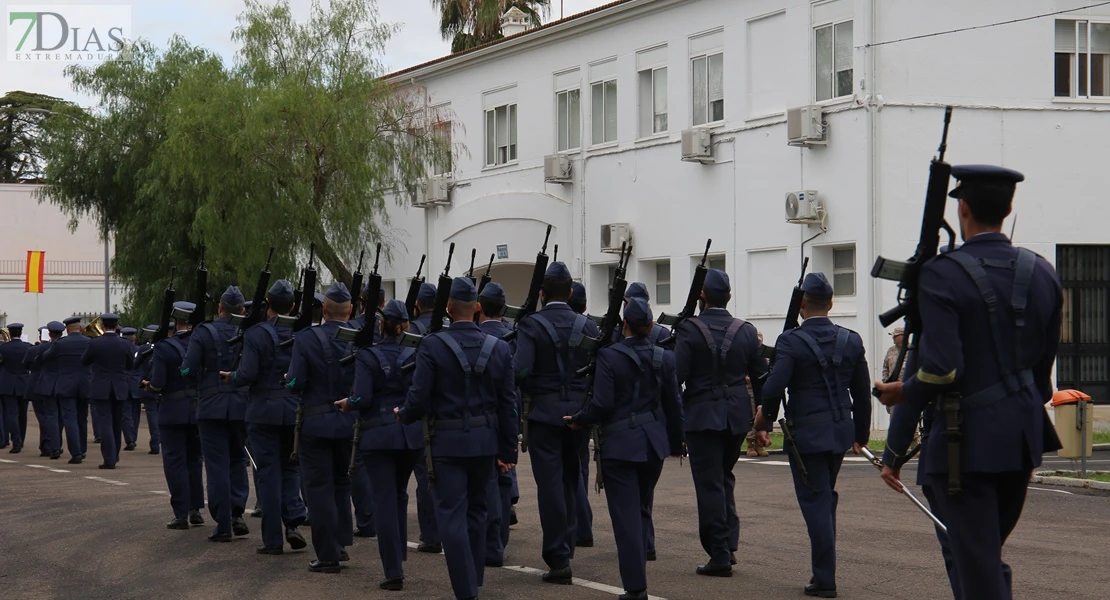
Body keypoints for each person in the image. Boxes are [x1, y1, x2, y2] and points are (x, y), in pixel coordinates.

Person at [874, 165, 1063, 600]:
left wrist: (903, 392)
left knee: (977, 569)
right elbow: (1042, 371)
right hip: (1021, 438)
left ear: (962, 209)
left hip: (964, 444)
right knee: (983, 558)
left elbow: (941, 369)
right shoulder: (1042, 272)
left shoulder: (943, 273)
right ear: (1008, 207)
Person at [396, 276, 519, 600]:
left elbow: (419, 397)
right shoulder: (500, 348)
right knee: (478, 511)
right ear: (477, 308)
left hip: (447, 444)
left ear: (448, 309)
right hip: (486, 442)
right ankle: (473, 578)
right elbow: (509, 404)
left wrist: (404, 414)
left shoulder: (432, 346)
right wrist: (509, 451)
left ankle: (466, 591)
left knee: (451, 514)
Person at [756, 272, 871, 598]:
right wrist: (861, 433)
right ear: (831, 303)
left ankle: (825, 579)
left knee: (816, 500)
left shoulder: (790, 341)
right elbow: (862, 394)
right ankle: (824, 570)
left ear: (802, 303)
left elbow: (774, 387)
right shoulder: (851, 339)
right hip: (839, 432)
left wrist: (764, 421)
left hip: (806, 435)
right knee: (824, 496)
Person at [566, 297, 685, 600]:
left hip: (620, 446)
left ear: (625, 325)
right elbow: (674, 405)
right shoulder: (665, 357)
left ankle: (635, 588)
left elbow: (602, 404)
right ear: (652, 327)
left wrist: (579, 419)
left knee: (627, 517)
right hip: (654, 445)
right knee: (642, 508)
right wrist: (676, 442)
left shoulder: (610, 356)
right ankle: (639, 572)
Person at [673, 268, 767, 576]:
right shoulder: (747, 330)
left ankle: (720, 553)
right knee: (724, 477)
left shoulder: (689, 329)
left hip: (703, 415)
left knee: (710, 483)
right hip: (738, 415)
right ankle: (729, 543)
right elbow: (759, 375)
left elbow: (678, 376)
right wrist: (763, 416)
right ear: (728, 296)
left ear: (702, 296)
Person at [514, 262, 599, 584]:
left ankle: (559, 557)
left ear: (541, 293)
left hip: (544, 415)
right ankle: (568, 546)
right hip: (578, 414)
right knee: (570, 479)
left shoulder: (532, 325)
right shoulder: (588, 326)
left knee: (550, 486)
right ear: (571, 293)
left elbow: (519, 370)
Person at [335, 299, 420, 590]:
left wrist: (348, 404)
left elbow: (362, 398)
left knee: (384, 500)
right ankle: (399, 556)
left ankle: (393, 569)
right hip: (409, 435)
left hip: (378, 436)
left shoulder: (367, 356)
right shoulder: (415, 353)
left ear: (382, 325)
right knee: (399, 495)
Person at [223, 279, 308, 555]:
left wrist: (231, 377)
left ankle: (272, 539)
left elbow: (246, 374)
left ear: (267, 304)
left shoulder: (256, 333)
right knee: (292, 469)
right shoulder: (303, 331)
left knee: (268, 473)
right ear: (293, 306)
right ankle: (294, 523)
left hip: (262, 412)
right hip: (294, 410)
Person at [285, 282, 358, 573]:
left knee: (318, 489)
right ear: (350, 310)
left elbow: (295, 383)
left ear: (324, 310)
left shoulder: (306, 339)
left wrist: (287, 380)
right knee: (342, 484)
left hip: (315, 424)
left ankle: (327, 554)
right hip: (348, 422)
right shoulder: (359, 339)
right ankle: (340, 544)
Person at [183, 286, 251, 542]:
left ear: (220, 308)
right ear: (242, 311)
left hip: (211, 406)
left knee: (217, 465)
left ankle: (223, 524)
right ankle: (237, 514)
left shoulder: (203, 331)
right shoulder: (248, 331)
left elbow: (188, 369)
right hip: (240, 405)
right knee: (237, 460)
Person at [146, 306, 206, 529]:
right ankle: (196, 509)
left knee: (174, 462)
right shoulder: (201, 342)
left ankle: (180, 513)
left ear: (174, 321)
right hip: (198, 408)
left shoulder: (164, 346)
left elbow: (158, 382)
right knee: (194, 460)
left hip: (172, 409)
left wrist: (149, 387)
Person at [475, 282, 514, 566]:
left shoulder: (476, 338)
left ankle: (487, 544)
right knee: (501, 479)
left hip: (479, 420)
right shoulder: (515, 336)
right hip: (508, 414)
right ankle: (497, 543)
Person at [408, 280, 444, 553]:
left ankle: (431, 535)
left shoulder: (411, 331)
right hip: (446, 411)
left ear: (417, 304)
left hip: (417, 413)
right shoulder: (447, 328)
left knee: (425, 476)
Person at [81, 313, 135, 469]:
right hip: (120, 387)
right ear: (117, 326)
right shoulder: (125, 344)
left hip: (101, 387)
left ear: (102, 326)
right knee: (117, 423)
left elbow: (84, 361)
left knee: (105, 423)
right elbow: (131, 365)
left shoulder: (95, 343)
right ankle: (115, 455)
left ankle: (109, 458)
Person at [40, 316, 90, 462]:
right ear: (80, 328)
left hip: (66, 385)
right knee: (82, 418)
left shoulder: (60, 344)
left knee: (70, 418)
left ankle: (76, 453)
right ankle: (82, 448)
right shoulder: (89, 342)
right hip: (85, 384)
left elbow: (45, 357)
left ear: (67, 330)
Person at [567, 281, 592, 547]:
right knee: (580, 466)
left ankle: (579, 526)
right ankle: (583, 526)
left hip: (552, 409)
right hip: (583, 404)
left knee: (565, 472)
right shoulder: (590, 327)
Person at [26, 324, 59, 457]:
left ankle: (48, 444)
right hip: (57, 385)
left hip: (38, 385)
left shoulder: (36, 349)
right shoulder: (60, 347)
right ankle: (53, 444)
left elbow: (26, 364)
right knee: (55, 417)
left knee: (44, 418)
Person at [0, 323, 32, 453]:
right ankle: (21, 441)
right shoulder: (28, 347)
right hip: (24, 383)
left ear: (10, 333)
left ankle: (16, 442)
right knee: (22, 415)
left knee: (11, 414)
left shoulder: (3, 348)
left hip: (7, 384)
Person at [131, 326, 161, 455]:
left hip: (148, 385)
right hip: (165, 385)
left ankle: (155, 444)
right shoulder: (167, 346)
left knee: (152, 414)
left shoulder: (144, 348)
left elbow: (135, 364)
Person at [744, 331, 771, 458]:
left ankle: (759, 445)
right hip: (748, 388)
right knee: (750, 414)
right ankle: (750, 444)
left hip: (761, 388)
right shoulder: (746, 354)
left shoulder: (764, 354)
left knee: (761, 413)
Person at [881, 327, 907, 415]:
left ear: (902, 336)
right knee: (894, 419)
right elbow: (885, 368)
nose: (893, 338)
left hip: (908, 391)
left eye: (895, 336)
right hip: (893, 391)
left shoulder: (912, 350)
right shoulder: (890, 351)